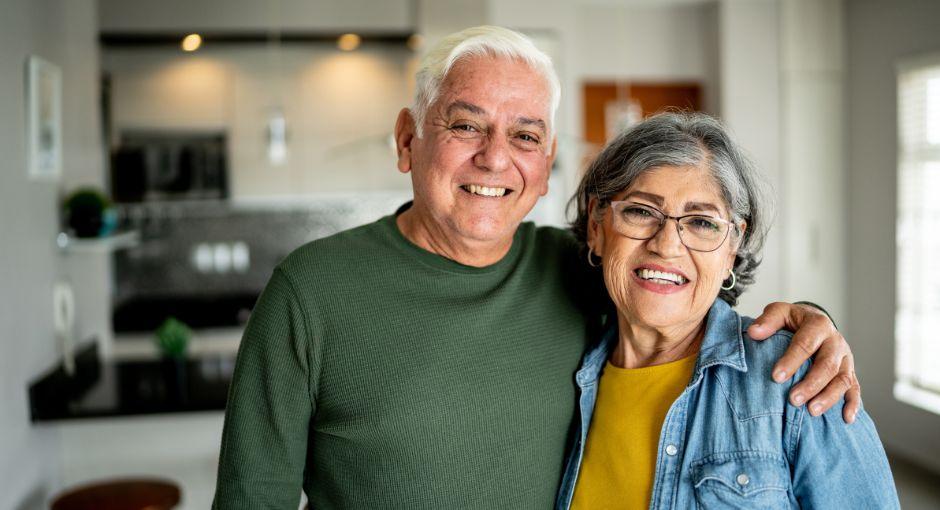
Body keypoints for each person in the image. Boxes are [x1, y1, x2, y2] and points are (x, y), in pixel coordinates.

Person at [213, 26, 860, 509]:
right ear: (409, 139)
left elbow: (682, 296)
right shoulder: (311, 290)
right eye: (466, 126)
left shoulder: (578, 269)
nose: (495, 159)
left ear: (546, 161)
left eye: (524, 136)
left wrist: (812, 323)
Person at [557, 112, 898, 509]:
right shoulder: (571, 377)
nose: (667, 245)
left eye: (701, 222)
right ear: (598, 227)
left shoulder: (798, 379)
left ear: (732, 247)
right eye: (641, 211)